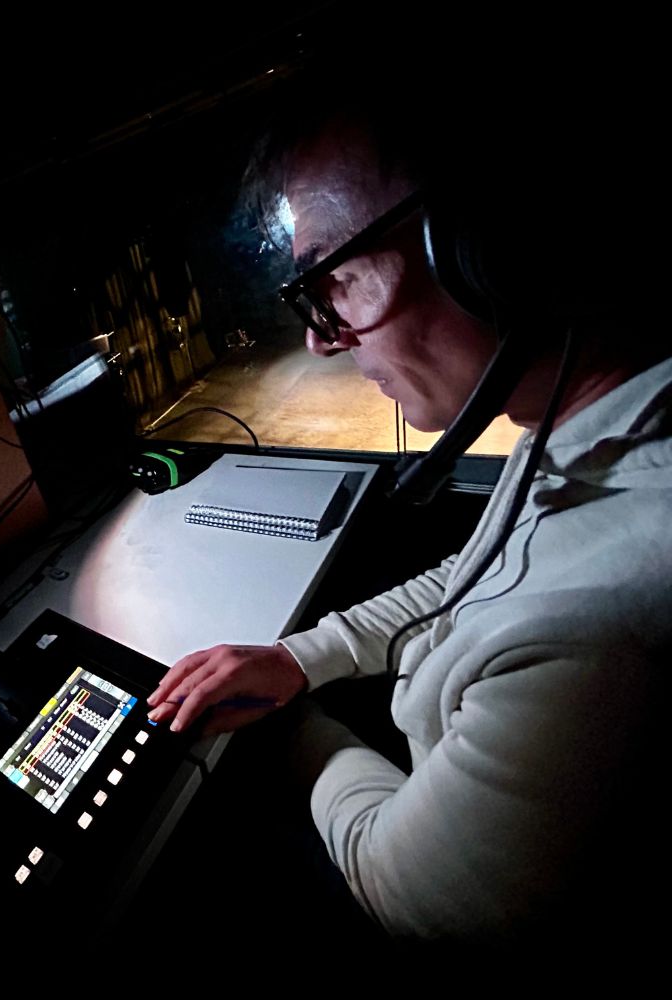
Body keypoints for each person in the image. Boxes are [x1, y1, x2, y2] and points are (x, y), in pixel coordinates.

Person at [144, 37, 671, 967]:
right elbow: (471, 576)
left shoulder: (608, 621)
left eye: (332, 280)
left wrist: (286, 730)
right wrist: (296, 658)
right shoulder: (591, 425)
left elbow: (403, 888)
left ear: (488, 247)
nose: (323, 340)